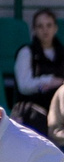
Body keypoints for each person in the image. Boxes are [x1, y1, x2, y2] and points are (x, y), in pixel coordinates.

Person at [12, 8, 62, 136]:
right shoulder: (26, 52)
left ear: (55, 28)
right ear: (34, 29)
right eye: (40, 26)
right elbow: (24, 86)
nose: (45, 30)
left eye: (49, 25)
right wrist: (49, 81)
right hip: (33, 109)